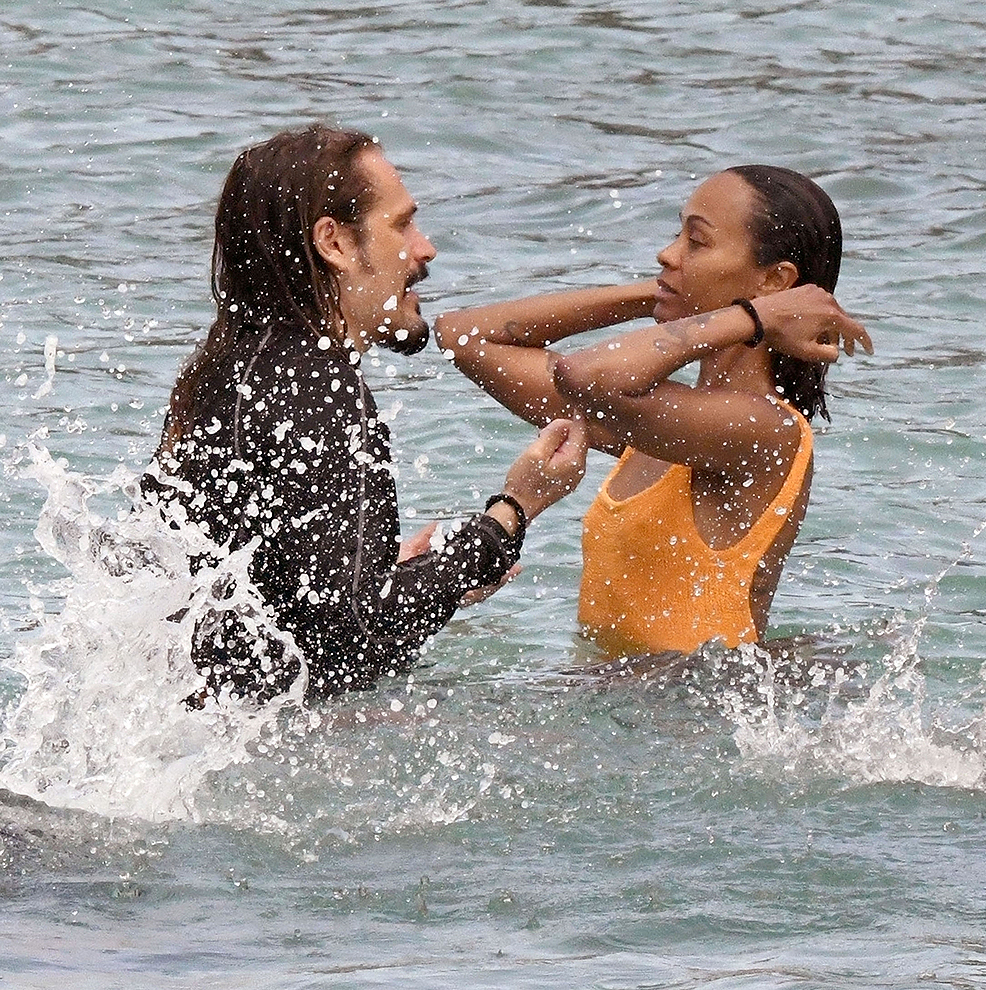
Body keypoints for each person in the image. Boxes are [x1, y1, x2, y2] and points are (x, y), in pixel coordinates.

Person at [142, 124, 587, 703]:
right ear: (335, 244)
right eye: (401, 224)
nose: (425, 249)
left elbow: (253, 600)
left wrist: (398, 572)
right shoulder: (321, 389)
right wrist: (510, 513)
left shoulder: (228, 370)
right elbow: (358, 636)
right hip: (261, 752)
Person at [434, 165, 873, 658]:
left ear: (775, 280)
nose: (667, 254)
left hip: (686, 715)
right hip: (626, 708)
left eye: (697, 243)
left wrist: (751, 316)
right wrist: (664, 295)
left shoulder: (765, 431)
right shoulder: (660, 422)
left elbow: (583, 375)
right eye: (676, 235)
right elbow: (464, 337)